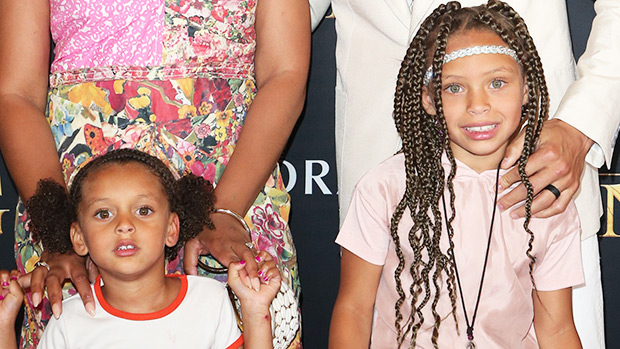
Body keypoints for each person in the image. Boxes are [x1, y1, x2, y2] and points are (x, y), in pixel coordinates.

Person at [0, 0, 309, 347]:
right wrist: (62, 233)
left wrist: (225, 210)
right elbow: (16, 94)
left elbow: (285, 73)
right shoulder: (75, 232)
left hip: (234, 186)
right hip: (82, 206)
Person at [311, 0, 619, 346]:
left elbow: (558, 329)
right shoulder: (382, 189)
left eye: (498, 83)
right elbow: (353, 308)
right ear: (429, 97)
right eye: (454, 88)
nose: (478, 105)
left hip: (545, 164)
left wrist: (580, 125)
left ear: (527, 87)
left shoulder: (545, 205)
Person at [0, 148, 282, 348]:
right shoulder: (69, 321)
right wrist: (3, 326)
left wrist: (256, 310)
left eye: (143, 210)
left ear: (171, 229)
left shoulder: (209, 300)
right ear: (79, 238)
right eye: (104, 214)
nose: (124, 225)